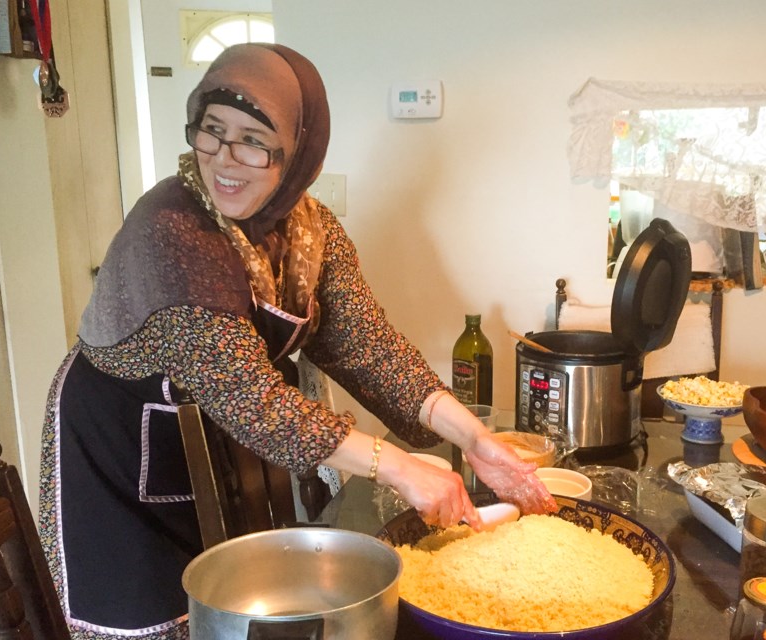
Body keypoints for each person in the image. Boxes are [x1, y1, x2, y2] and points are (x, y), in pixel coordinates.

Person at [38, 42, 555, 639]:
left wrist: (476, 439)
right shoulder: (171, 231)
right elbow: (256, 403)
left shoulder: (308, 228)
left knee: (223, 601)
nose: (226, 160)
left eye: (255, 140)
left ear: (297, 152)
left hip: (212, 427)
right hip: (119, 445)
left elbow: (370, 347)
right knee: (147, 608)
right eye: (212, 131)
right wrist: (403, 469)